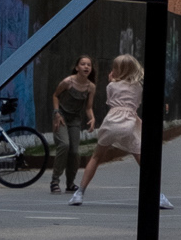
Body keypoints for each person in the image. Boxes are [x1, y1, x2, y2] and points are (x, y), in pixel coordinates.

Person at [72, 52, 173, 210]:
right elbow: (137, 102)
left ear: (118, 70)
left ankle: (79, 192)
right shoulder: (138, 87)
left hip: (111, 122)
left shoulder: (111, 86)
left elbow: (111, 99)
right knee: (144, 162)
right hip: (129, 123)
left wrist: (111, 81)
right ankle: (158, 196)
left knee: (96, 157)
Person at [52, 56, 98, 195]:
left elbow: (88, 108)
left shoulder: (91, 87)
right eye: (83, 64)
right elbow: (55, 96)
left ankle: (70, 184)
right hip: (61, 117)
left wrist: (92, 119)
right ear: (77, 67)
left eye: (88, 65)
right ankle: (54, 181)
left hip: (75, 120)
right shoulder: (68, 82)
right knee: (64, 145)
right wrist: (56, 113)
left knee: (74, 152)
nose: (86, 67)